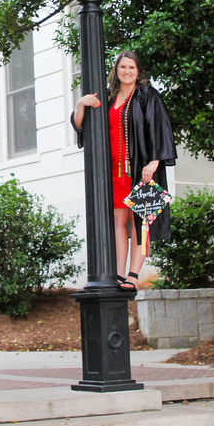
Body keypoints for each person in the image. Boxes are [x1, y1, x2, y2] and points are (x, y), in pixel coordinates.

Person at [72, 51, 177, 291]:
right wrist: (81, 103)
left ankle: (133, 275)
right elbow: (82, 126)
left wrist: (155, 162)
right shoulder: (108, 99)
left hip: (140, 169)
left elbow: (160, 128)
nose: (127, 71)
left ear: (138, 71)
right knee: (118, 221)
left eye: (131, 67)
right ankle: (119, 274)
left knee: (139, 220)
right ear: (116, 71)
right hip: (114, 171)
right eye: (122, 67)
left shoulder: (147, 95)